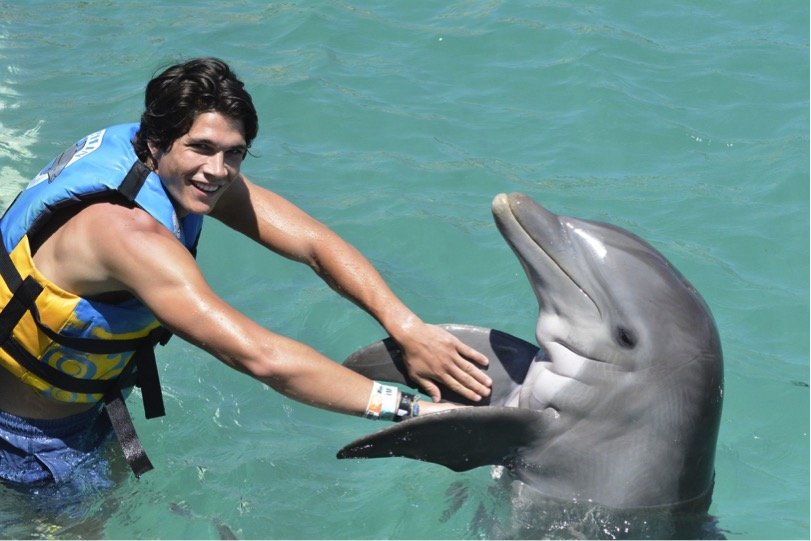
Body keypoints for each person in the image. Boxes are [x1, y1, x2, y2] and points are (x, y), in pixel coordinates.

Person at [0, 57, 491, 485]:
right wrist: (416, 411)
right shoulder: (128, 236)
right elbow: (263, 359)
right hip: (27, 441)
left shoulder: (166, 163)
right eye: (202, 147)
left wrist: (406, 327)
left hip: (72, 410)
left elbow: (314, 243)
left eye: (234, 152)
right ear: (157, 140)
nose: (218, 170)